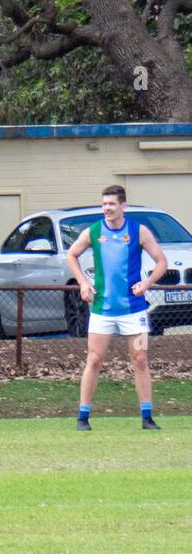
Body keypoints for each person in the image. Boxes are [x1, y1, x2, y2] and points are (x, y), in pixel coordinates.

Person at [65, 184, 167, 432]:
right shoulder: (94, 231)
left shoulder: (138, 231)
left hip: (134, 310)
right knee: (95, 359)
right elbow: (71, 254)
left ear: (123, 206)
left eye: (111, 204)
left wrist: (147, 282)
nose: (107, 208)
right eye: (104, 204)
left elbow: (161, 261)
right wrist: (83, 282)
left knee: (140, 359)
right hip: (102, 310)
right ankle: (83, 417)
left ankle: (147, 417)